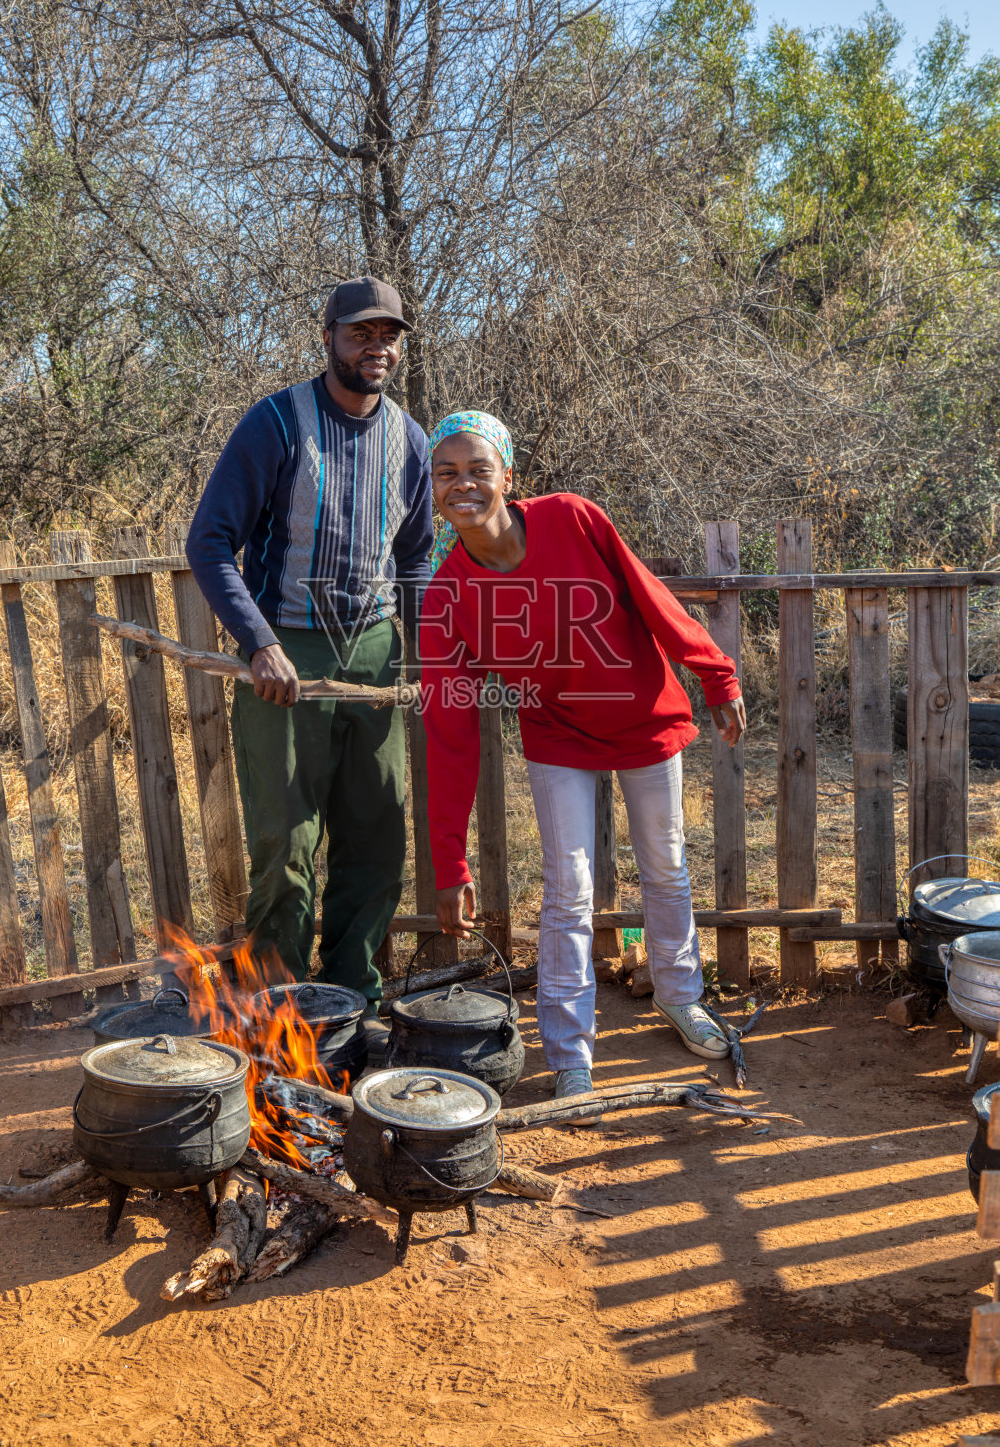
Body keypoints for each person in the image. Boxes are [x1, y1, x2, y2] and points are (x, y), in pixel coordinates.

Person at [419, 411, 746, 1111]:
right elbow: (448, 731)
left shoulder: (573, 519)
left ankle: (680, 997)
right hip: (558, 734)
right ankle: (570, 1052)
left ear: (508, 476)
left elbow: (649, 598)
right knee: (566, 890)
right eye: (445, 473)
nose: (462, 484)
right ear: (431, 488)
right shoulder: (448, 595)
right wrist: (449, 861)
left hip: (643, 716)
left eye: (478, 468)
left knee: (664, 865)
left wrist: (713, 673)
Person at [186, 277, 432, 1026]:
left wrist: (417, 656)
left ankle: (353, 993)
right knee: (285, 842)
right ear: (327, 337)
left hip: (376, 656)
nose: (376, 347)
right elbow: (210, 542)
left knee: (376, 834)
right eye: (360, 333)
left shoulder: (409, 438)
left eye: (388, 334)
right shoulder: (276, 423)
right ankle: (276, 1002)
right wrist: (257, 643)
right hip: (285, 654)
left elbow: (417, 558)